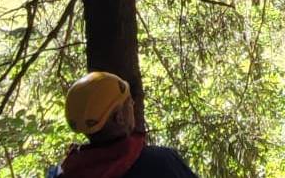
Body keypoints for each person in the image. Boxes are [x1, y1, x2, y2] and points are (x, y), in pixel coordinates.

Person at [49, 71, 197, 178]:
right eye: (128, 101)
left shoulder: (67, 171)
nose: (133, 103)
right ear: (119, 117)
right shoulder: (160, 163)